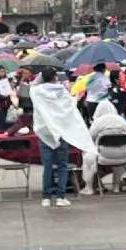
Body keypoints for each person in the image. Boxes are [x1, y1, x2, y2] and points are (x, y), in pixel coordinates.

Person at [30, 67, 91, 208]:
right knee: (62, 165)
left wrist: (41, 76)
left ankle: (46, 197)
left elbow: (33, 85)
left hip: (45, 133)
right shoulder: (62, 91)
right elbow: (70, 106)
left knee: (47, 166)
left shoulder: (36, 92)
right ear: (55, 77)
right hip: (60, 132)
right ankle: (60, 197)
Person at [86, 99, 126, 193]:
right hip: (123, 155)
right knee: (118, 160)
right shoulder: (121, 120)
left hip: (103, 154)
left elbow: (90, 138)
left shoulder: (98, 122)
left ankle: (92, 185)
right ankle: (116, 186)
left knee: (87, 155)